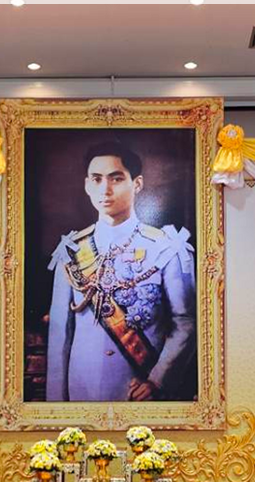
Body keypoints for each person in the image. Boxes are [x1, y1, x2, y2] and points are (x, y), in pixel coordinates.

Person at [46, 141, 196, 402]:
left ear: (137, 184)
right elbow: (60, 335)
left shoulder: (166, 247)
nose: (105, 189)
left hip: (140, 394)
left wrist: (158, 380)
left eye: (116, 179)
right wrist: (55, 406)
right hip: (81, 392)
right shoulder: (71, 251)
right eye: (97, 179)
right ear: (87, 185)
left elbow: (185, 322)